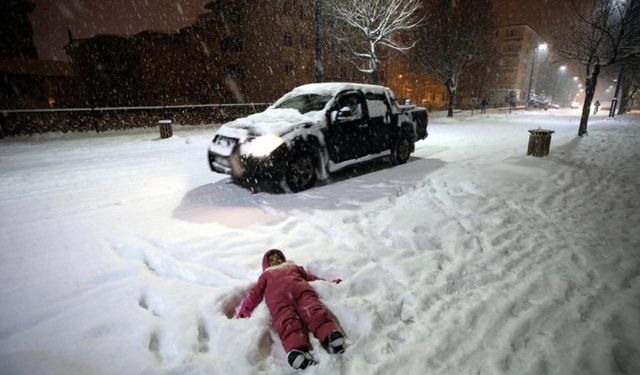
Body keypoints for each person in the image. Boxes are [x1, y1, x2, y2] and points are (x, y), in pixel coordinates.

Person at [236, 249, 345, 370]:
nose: (276, 260)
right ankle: (297, 351)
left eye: (278, 257)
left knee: (314, 312)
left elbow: (310, 277)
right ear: (266, 265)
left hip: (303, 293)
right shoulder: (266, 275)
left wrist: (329, 283)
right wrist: (245, 309)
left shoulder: (293, 267)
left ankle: (329, 336)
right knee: (287, 322)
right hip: (279, 302)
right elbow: (255, 293)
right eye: (271, 260)